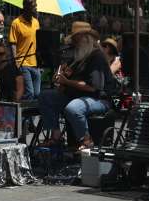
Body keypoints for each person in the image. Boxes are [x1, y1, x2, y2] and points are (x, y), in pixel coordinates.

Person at [38, 21, 115, 150]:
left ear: (87, 39)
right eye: (74, 39)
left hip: (98, 99)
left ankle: (86, 140)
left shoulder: (97, 57)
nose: (75, 42)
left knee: (73, 108)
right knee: (46, 96)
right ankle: (56, 135)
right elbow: (67, 80)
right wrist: (61, 76)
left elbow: (93, 87)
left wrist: (66, 82)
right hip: (77, 96)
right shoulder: (78, 57)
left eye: (77, 38)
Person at [8, 0, 40, 100]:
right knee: (29, 92)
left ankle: (26, 114)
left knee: (37, 93)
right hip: (23, 62)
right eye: (33, 6)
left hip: (35, 63)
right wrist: (16, 61)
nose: (36, 8)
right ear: (26, 7)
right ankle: (23, 114)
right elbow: (12, 43)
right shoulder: (16, 23)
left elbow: (38, 41)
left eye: (36, 6)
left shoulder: (36, 22)